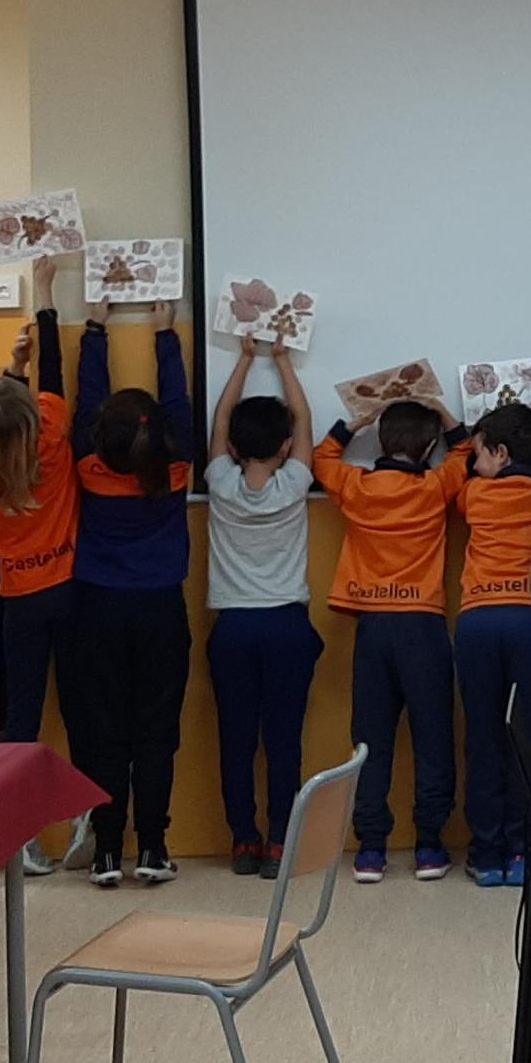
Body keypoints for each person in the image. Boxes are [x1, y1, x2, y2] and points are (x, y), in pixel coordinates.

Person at [61, 298, 194, 889]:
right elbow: (178, 404)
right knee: (156, 732)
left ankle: (108, 851)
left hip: (96, 609)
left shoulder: (88, 465)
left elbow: (90, 398)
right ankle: (154, 848)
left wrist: (96, 327)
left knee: (105, 732)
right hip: (160, 608)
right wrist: (166, 333)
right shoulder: (177, 466)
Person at [316, 391, 467, 882]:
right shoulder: (434, 486)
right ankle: (429, 846)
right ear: (428, 449)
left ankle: (370, 850)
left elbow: (322, 458)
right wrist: (443, 413)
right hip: (422, 624)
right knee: (433, 738)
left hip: (374, 627)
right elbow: (466, 451)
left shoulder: (357, 486)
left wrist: (356, 421)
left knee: (370, 739)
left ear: (381, 442)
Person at [0, 254, 82, 876]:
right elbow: (55, 372)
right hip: (69, 591)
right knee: (85, 708)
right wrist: (43, 289)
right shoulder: (54, 435)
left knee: (22, 719)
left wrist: (12, 369)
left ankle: (20, 837)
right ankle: (91, 819)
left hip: (20, 602)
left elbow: (1, 418)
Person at [205, 336, 321, 880]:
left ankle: (243, 840)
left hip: (232, 628)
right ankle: (279, 842)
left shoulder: (219, 482)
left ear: (231, 445)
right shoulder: (294, 483)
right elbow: (304, 418)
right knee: (283, 740)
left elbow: (221, 418)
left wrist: (245, 360)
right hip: (286, 626)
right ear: (286, 446)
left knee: (235, 740)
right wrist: (283, 361)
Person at [453, 401, 531, 886]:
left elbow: (456, 476)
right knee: (527, 738)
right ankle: (522, 852)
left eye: (480, 454)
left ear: (500, 453)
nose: (474, 464)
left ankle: (487, 853)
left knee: (483, 737)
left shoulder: (474, 494)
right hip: (528, 620)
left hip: (478, 621)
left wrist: (453, 429)